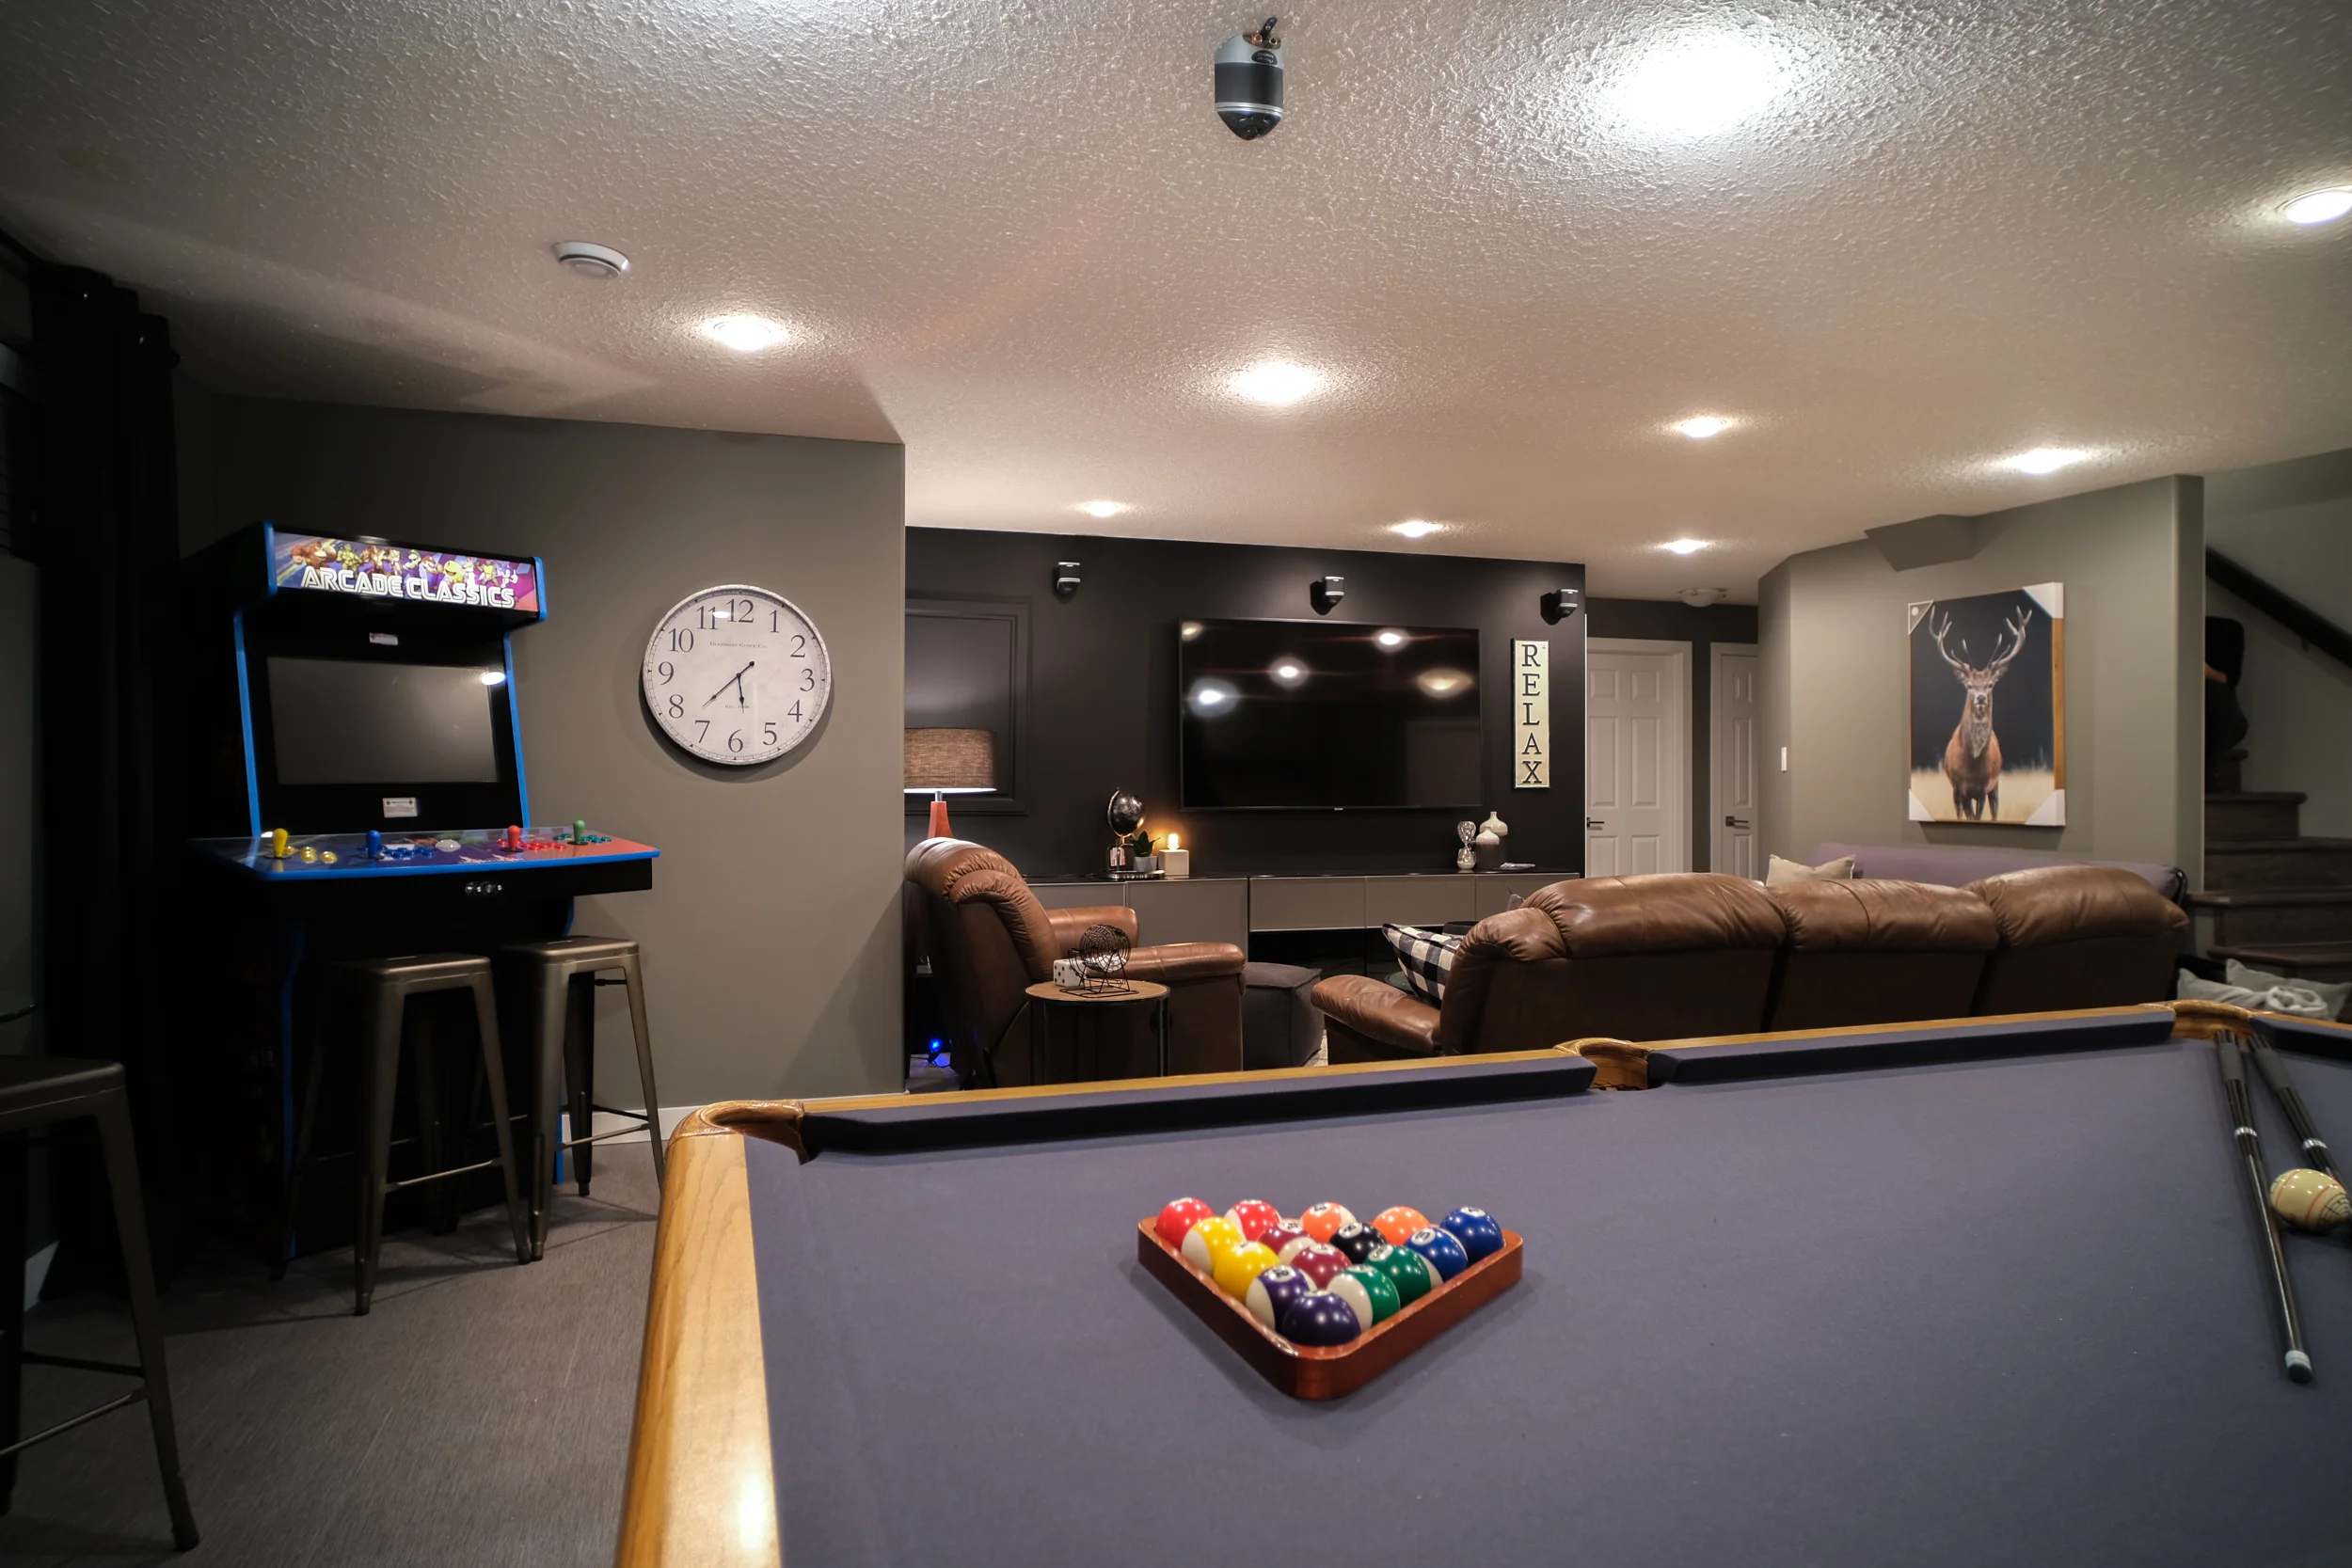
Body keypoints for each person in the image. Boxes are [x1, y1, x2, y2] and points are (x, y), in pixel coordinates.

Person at [2205, 616, 2248, 785]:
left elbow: (2227, 679)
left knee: (2213, 689)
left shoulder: (2224, 630)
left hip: (2217, 714)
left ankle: (2208, 773)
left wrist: (2205, 671)